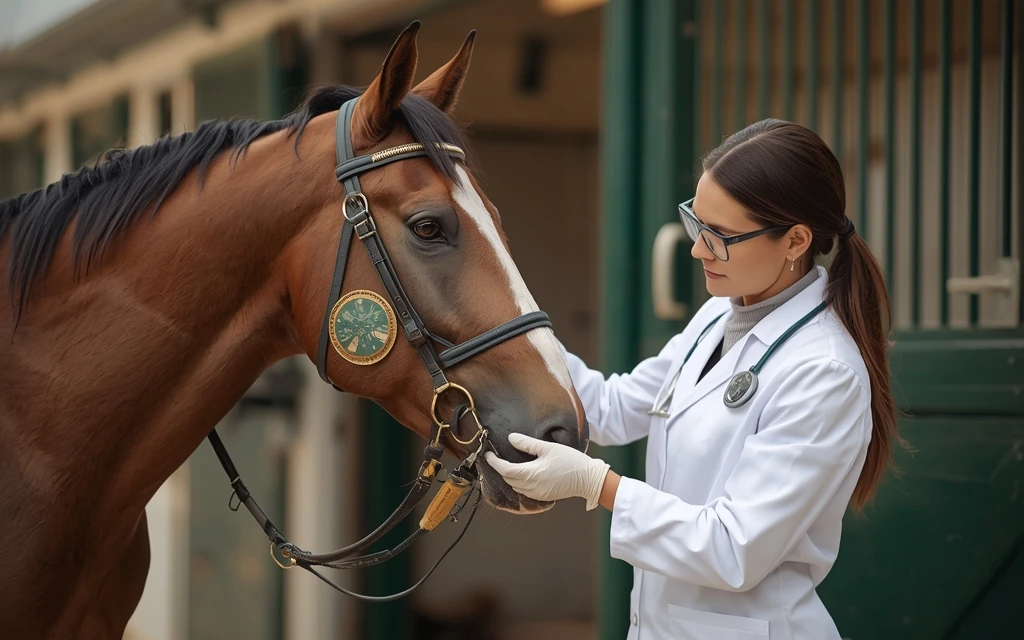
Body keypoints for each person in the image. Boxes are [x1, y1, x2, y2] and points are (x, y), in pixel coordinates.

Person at [485, 119, 900, 639]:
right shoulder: (717, 313)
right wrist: (509, 331)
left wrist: (598, 484)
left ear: (795, 240)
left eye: (721, 236)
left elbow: (733, 548)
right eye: (696, 223)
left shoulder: (825, 371)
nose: (697, 250)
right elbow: (614, 407)